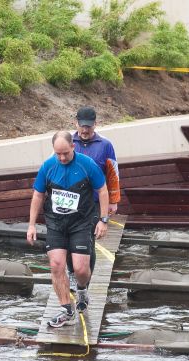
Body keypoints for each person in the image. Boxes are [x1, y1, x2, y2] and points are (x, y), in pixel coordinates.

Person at [27, 131, 109, 328]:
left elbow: (103, 190)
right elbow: (38, 195)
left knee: (81, 268)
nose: (62, 158)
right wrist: (31, 224)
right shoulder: (48, 166)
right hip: (56, 223)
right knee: (56, 265)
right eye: (58, 154)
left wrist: (103, 220)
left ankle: (81, 289)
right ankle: (66, 309)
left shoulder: (86, 164)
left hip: (81, 222)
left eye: (65, 153)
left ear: (73, 146)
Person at [66, 106, 120, 291]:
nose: (85, 130)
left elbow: (113, 174)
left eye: (89, 126)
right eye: (82, 126)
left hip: (94, 202)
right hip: (71, 200)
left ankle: (85, 282)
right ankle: (72, 274)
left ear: (95, 124)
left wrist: (113, 200)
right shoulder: (68, 142)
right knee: (67, 238)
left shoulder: (105, 145)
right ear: (76, 124)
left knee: (88, 240)